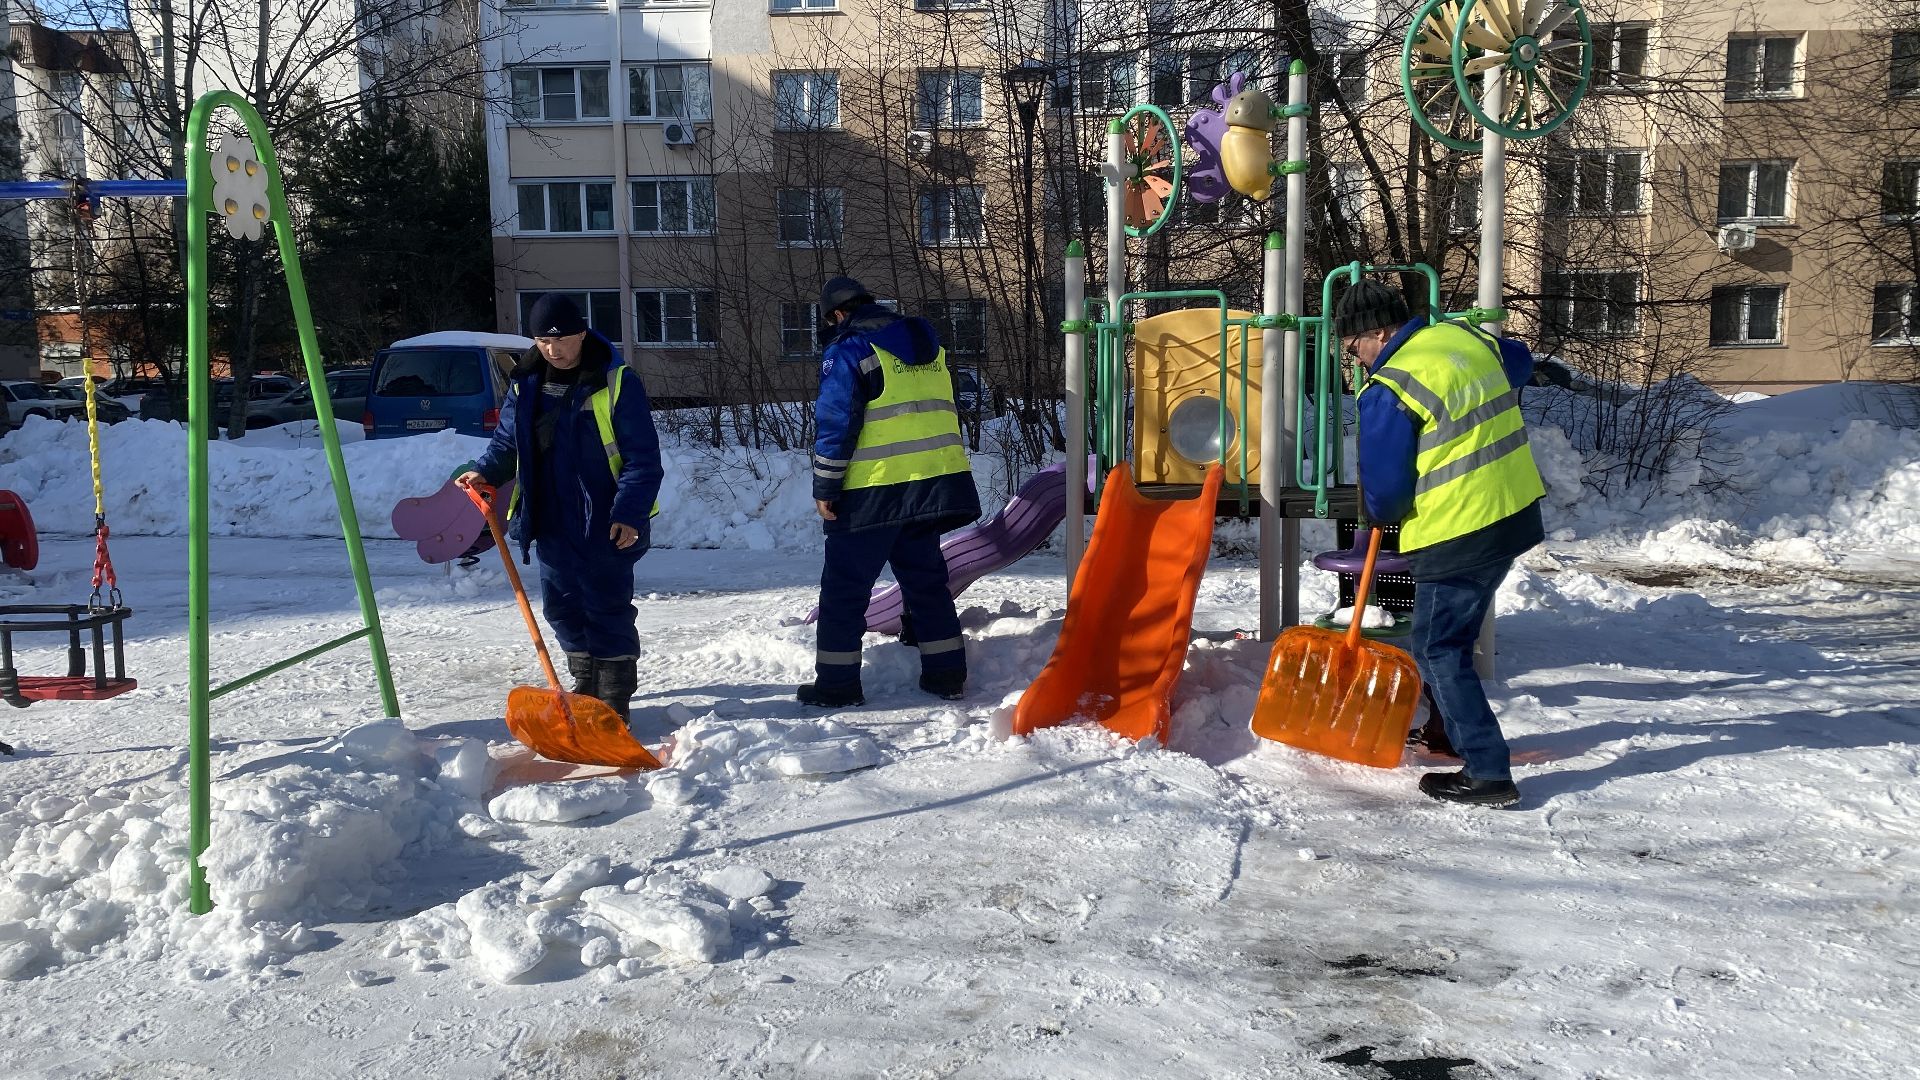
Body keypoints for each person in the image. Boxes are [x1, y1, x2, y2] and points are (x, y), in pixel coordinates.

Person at [1337, 279, 1546, 808]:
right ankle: (1453, 734)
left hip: (1460, 528)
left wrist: (1380, 515)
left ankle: (1488, 772)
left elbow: (1385, 487)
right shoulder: (1464, 340)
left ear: (1380, 333)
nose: (1354, 358)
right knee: (1449, 642)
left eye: (1353, 346)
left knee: (1437, 647)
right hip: (1512, 514)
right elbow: (1519, 361)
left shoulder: (1390, 386)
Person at [457, 293, 663, 724]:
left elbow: (642, 457)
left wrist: (629, 513)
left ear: (581, 334)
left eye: (563, 339)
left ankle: (613, 701)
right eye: (544, 341)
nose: (554, 349)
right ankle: (586, 682)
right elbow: (508, 443)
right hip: (548, 515)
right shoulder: (526, 381)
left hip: (605, 517)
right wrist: (485, 472)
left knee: (607, 606)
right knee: (561, 606)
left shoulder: (615, 380)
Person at [801, 276, 982, 708]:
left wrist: (826, 486)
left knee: (845, 590)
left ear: (838, 315)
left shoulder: (850, 350)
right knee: (926, 583)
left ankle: (837, 685)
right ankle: (947, 675)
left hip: (871, 492)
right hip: (931, 486)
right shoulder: (931, 348)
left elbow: (837, 424)